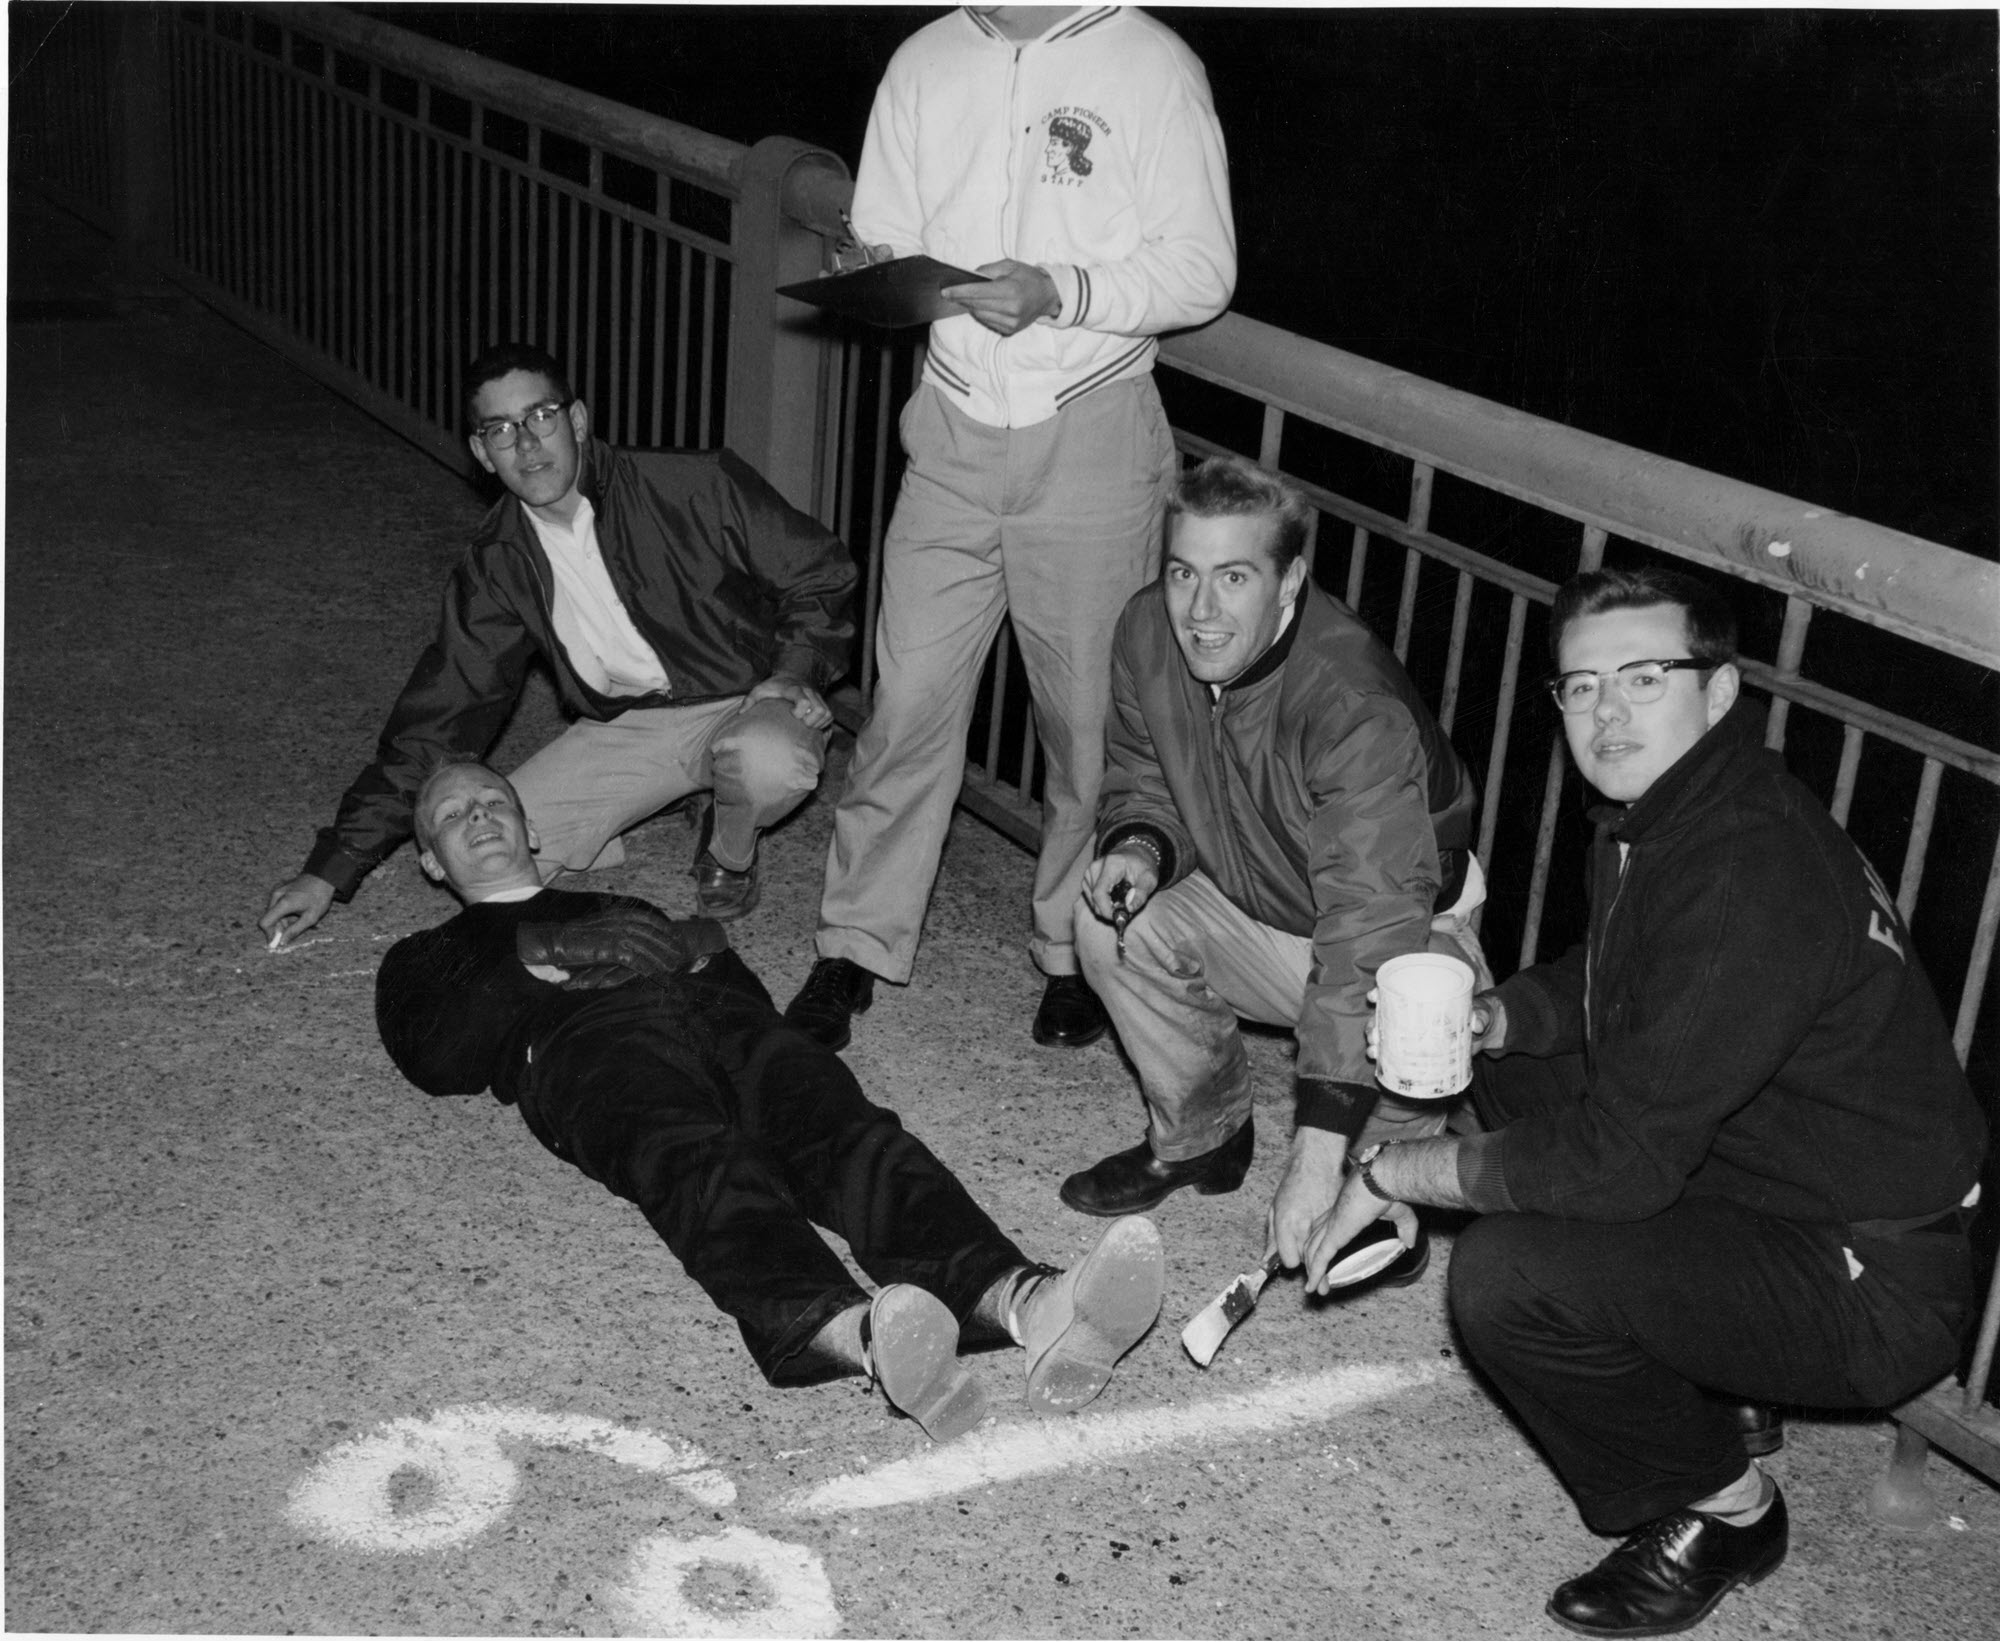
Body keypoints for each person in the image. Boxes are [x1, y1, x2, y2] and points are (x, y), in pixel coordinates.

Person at [1303, 567, 1987, 1638]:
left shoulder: (1739, 874)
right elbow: (1609, 979)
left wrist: (1391, 1171)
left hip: (1875, 1278)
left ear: (1718, 693)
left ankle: (1727, 1507)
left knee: (1510, 1277)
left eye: (1640, 676)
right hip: (1774, 1176)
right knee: (1506, 1065)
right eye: (1578, 687)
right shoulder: (1670, 810)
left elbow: (1616, 1163)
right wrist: (1496, 1019)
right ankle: (1718, 1369)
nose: (1604, 713)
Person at [375, 758, 1167, 1439]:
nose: (478, 816)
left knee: (845, 1129)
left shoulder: (623, 909)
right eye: (453, 814)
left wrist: (704, 954)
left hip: (720, 1024)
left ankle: (1028, 1303)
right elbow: (434, 1054)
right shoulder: (430, 953)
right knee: (694, 1159)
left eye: (493, 803)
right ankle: (857, 1336)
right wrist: (535, 949)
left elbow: (742, 992)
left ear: (531, 830)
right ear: (435, 864)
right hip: (586, 1049)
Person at [785, 5, 1237, 1054]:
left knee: (1086, 718)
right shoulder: (923, 57)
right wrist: (878, 263)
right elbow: (887, 225)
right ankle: (855, 940)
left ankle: (1073, 948)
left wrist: (1060, 291)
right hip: (945, 423)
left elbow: (1201, 268)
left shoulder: (1151, 62)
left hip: (1092, 425)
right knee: (905, 700)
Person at [259, 342, 856, 947]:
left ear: (576, 420)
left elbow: (822, 572)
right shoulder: (497, 562)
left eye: (540, 417)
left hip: (746, 699)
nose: (525, 444)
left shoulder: (693, 483)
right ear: (481, 454)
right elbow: (438, 719)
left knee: (768, 762)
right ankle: (660, 801)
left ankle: (729, 846)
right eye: (500, 430)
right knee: (495, 861)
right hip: (629, 727)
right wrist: (328, 872)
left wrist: (793, 671)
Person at [1061, 456, 1486, 1287]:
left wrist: (1316, 1154)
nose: (1200, 611)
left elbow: (1368, 929)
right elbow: (1145, 769)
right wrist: (1141, 847)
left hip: (1398, 936)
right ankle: (1203, 1138)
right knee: (1107, 917)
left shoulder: (1351, 703)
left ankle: (1389, 1186)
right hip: (1262, 902)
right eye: (1184, 573)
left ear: (1289, 580)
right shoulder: (1149, 632)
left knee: (1405, 1026)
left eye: (1234, 577)